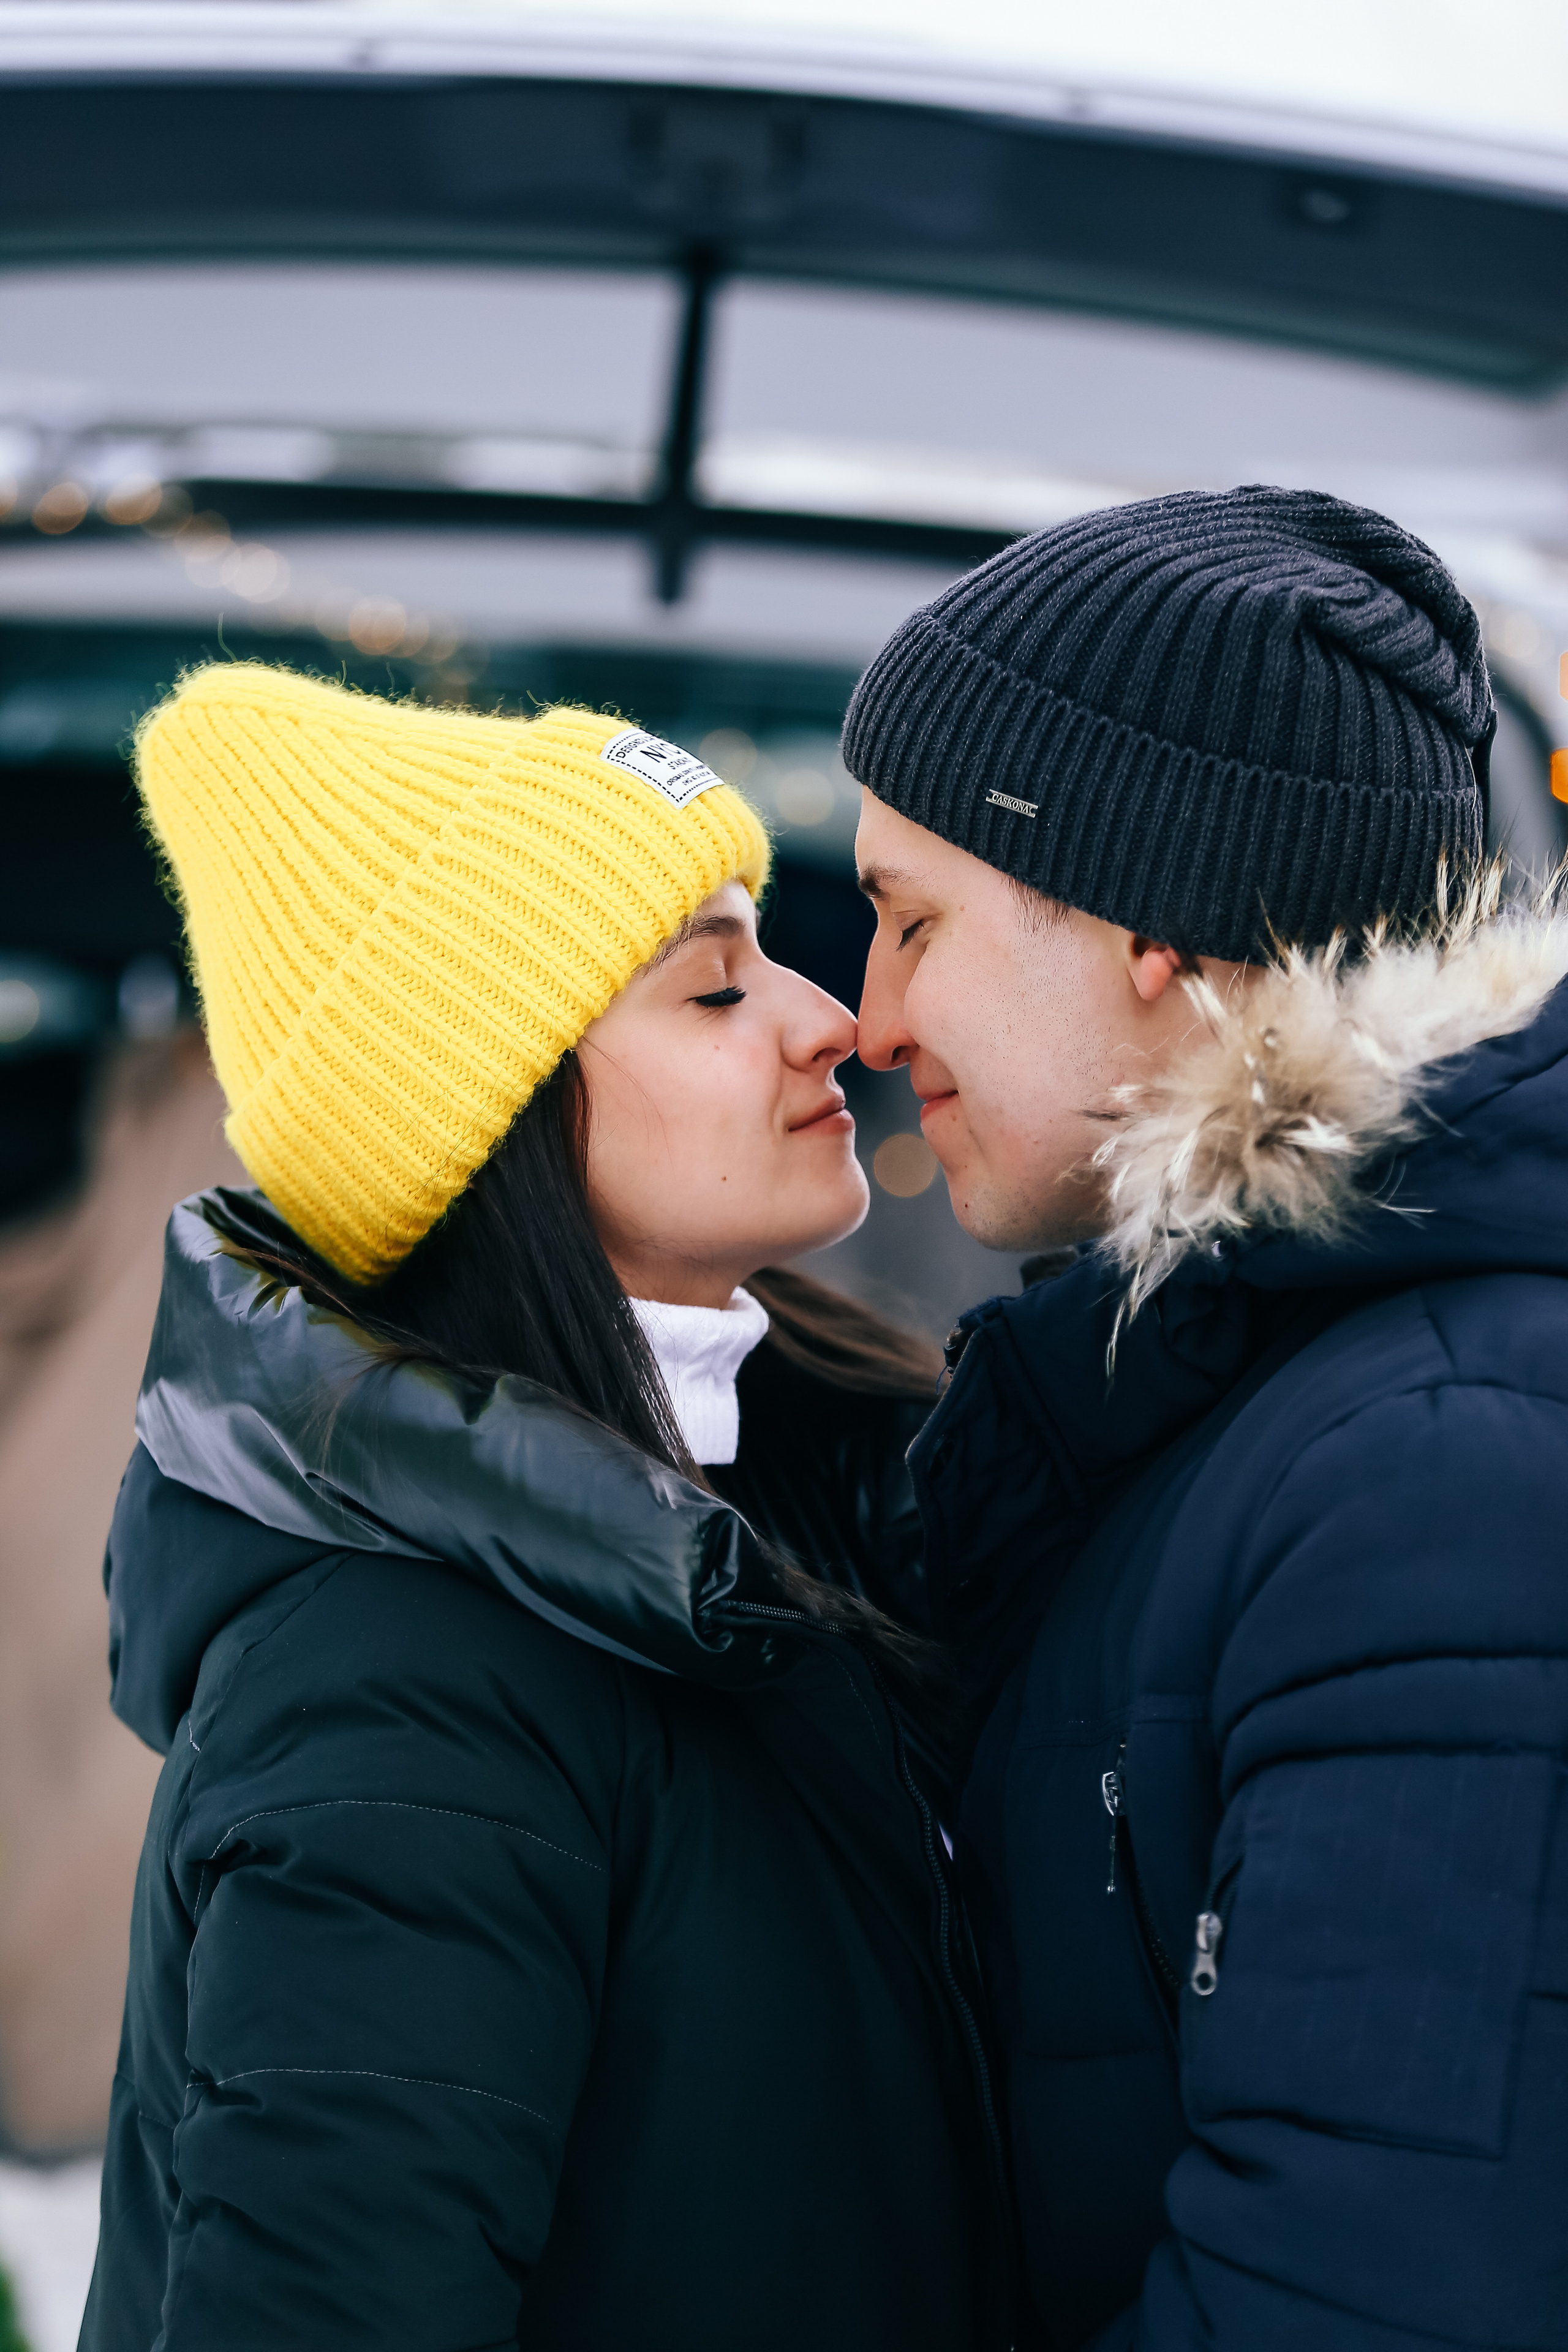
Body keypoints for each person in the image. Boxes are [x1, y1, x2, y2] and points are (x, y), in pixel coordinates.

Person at [83, 665, 1011, 2352]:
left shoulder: (771, 1508)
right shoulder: (406, 1679)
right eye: (716, 994)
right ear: (494, 1113)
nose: (829, 1023)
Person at [842, 488, 1568, 2351]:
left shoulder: (1444, 1469)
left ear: (1150, 920)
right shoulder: (1233, 1398)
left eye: (914, 922)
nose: (867, 1018)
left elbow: (1370, 2292)